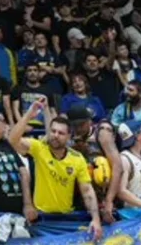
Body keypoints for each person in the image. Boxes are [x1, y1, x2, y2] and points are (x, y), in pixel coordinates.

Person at [8, 100, 103, 240]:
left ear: (69, 136)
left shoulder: (77, 159)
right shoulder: (39, 148)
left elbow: (87, 191)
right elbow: (12, 141)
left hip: (67, 219)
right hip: (41, 219)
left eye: (61, 133)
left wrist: (96, 219)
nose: (55, 135)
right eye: (53, 131)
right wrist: (28, 115)